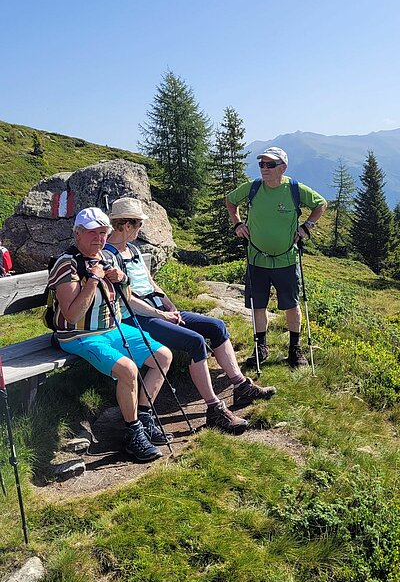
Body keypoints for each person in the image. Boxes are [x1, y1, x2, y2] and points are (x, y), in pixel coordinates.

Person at [105, 197, 277, 436]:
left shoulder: (132, 250)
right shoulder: (110, 257)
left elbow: (150, 282)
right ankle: (214, 409)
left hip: (158, 310)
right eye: (138, 224)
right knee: (195, 342)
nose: (140, 229)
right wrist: (162, 315)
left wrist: (170, 306)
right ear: (125, 225)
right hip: (136, 318)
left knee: (216, 326)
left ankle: (240, 385)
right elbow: (126, 298)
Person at [47, 206, 173, 463]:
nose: (100, 239)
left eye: (104, 233)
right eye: (93, 233)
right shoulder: (66, 264)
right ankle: (133, 432)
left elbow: (125, 299)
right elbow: (71, 315)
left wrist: (122, 278)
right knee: (128, 369)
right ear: (78, 233)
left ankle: (145, 417)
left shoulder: (108, 257)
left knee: (163, 356)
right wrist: (93, 280)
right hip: (78, 335)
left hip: (112, 327)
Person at [226, 146, 327, 367]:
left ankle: (295, 349)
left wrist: (306, 227)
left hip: (287, 260)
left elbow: (321, 204)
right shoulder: (252, 188)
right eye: (262, 164)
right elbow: (230, 201)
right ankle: (261, 347)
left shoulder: (294, 189)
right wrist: (237, 224)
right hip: (256, 259)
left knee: (291, 304)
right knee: (258, 305)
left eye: (270, 164)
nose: (264, 168)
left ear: (283, 167)